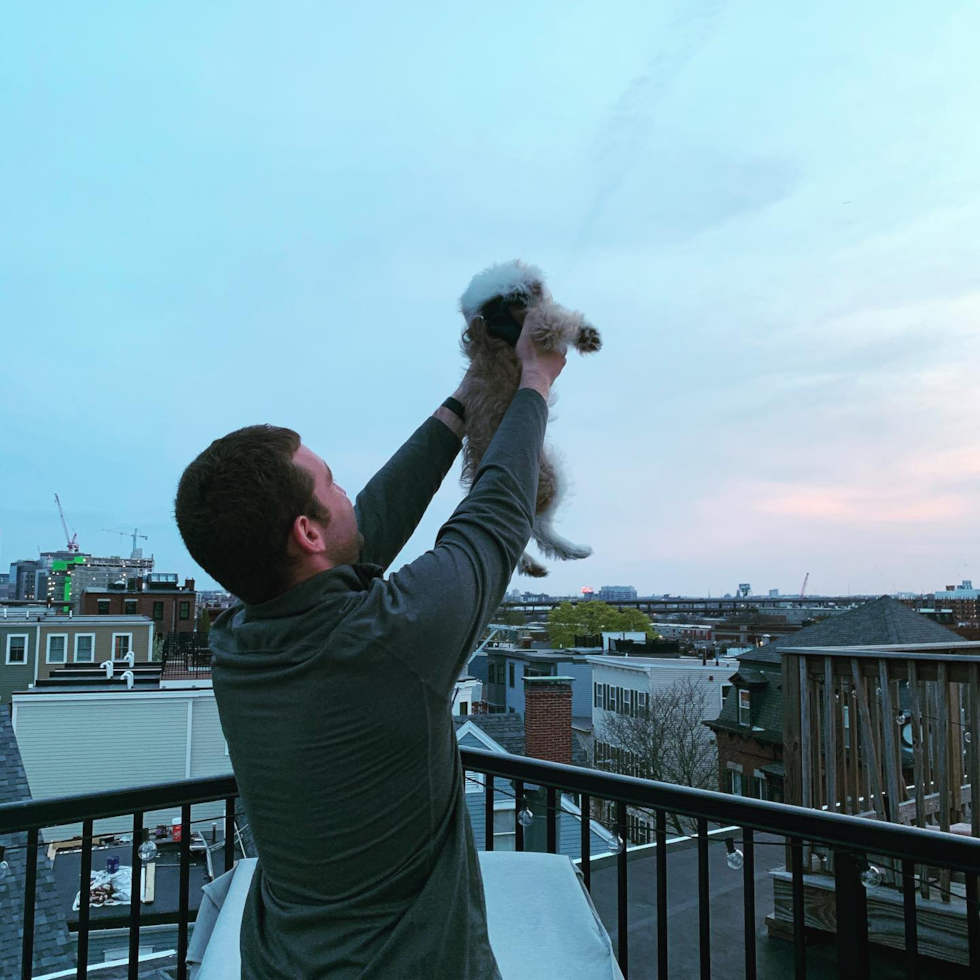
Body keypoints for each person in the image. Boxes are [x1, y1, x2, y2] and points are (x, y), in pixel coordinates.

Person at [173, 317, 566, 980]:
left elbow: (359, 534)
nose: (347, 492)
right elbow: (494, 519)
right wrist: (534, 383)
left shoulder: (239, 643)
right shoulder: (388, 640)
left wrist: (466, 396)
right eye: (331, 484)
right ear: (306, 531)